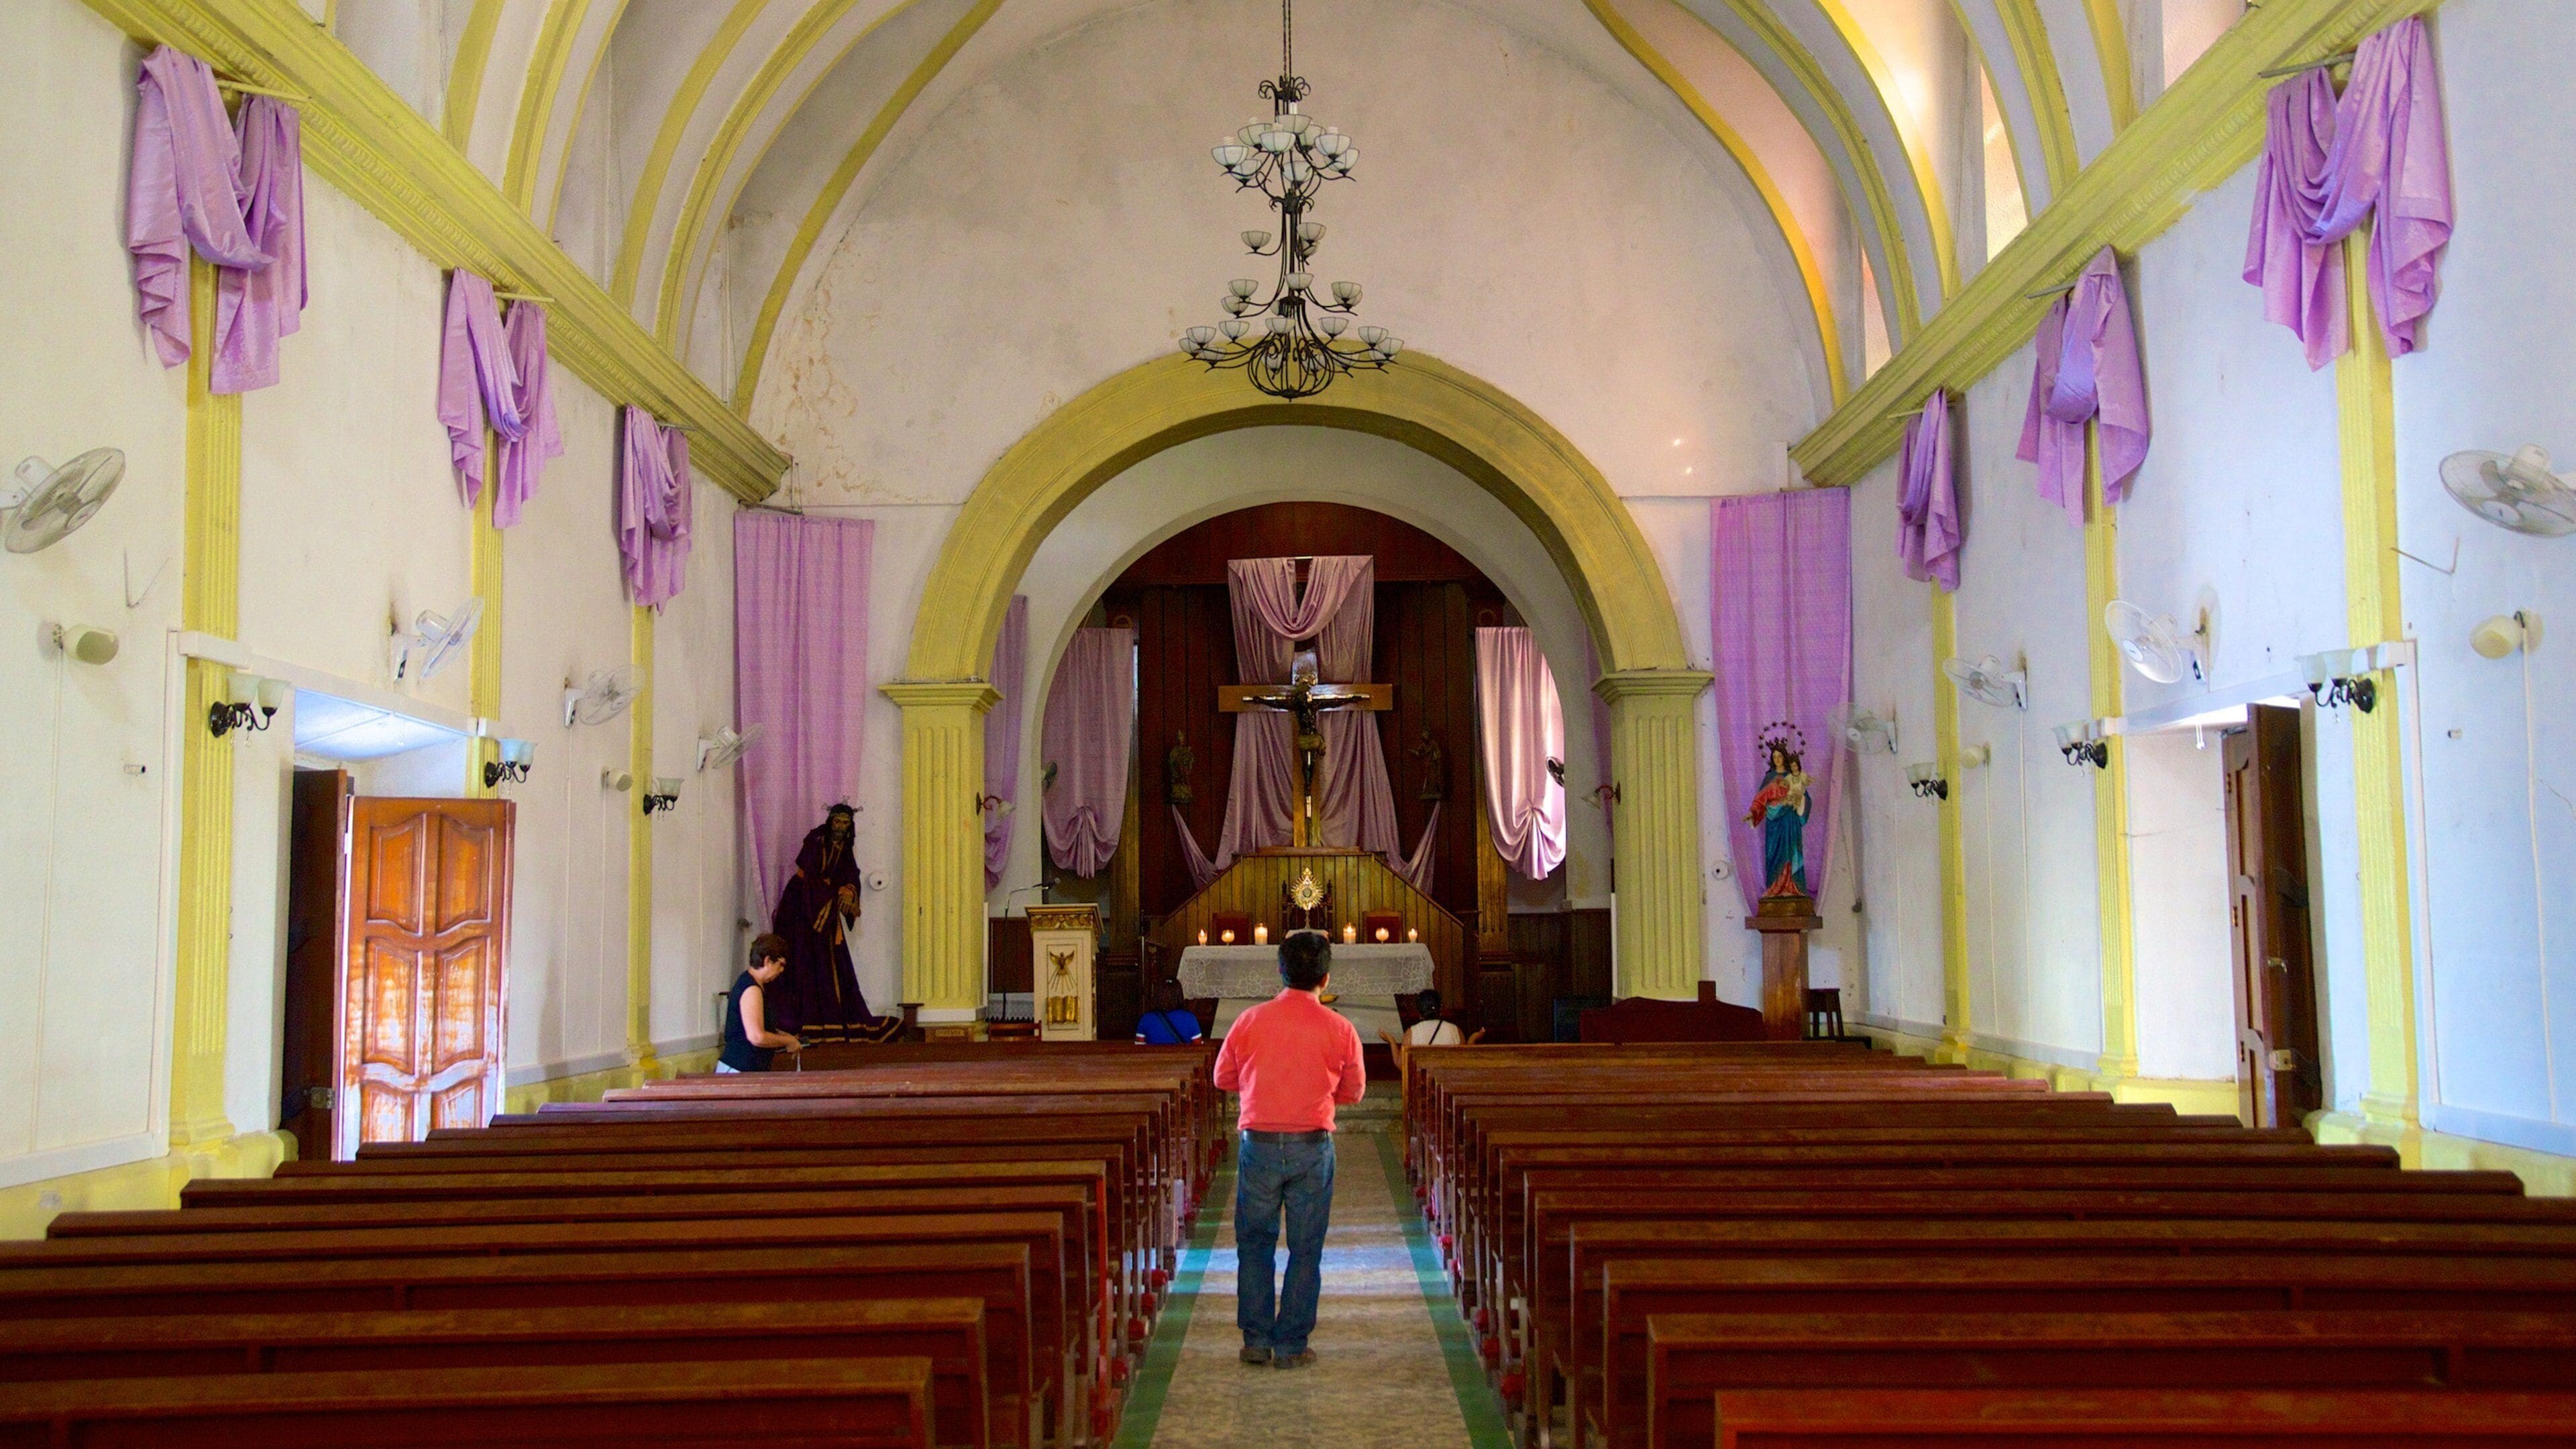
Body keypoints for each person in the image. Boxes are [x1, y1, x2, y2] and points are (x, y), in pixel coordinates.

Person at [1210, 929, 1364, 1370]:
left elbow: (1223, 1078)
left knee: (1254, 1243)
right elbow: (1355, 1090)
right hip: (1312, 1145)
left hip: (1257, 1143)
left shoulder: (1250, 1021)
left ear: (1279, 971)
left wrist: (1263, 1087)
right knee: (1306, 1246)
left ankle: (1256, 1339)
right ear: (1326, 978)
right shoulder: (1340, 1028)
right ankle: (1292, 1344)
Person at [769, 804, 902, 1042]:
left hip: (824, 907)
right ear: (831, 821)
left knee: (830, 961)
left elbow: (850, 873)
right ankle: (804, 1021)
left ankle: (831, 1019)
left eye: (845, 823)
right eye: (838, 822)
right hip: (802, 905)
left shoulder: (845, 846)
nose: (840, 827)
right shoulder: (815, 840)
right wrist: (834, 893)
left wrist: (849, 891)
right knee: (802, 960)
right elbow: (809, 874)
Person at [717, 934, 803, 1073]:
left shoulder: (755, 985)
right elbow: (756, 1037)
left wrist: (786, 1036)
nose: (782, 971)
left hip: (747, 1070)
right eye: (781, 965)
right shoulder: (751, 988)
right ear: (768, 960)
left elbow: (762, 1027)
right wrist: (787, 1041)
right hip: (739, 1070)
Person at [1134, 979, 1205, 1044]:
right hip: (1182, 1058)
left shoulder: (1146, 1019)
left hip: (1154, 1058)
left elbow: (1139, 1050)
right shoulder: (1190, 1019)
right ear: (1179, 996)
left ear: (1157, 996)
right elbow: (1198, 1048)